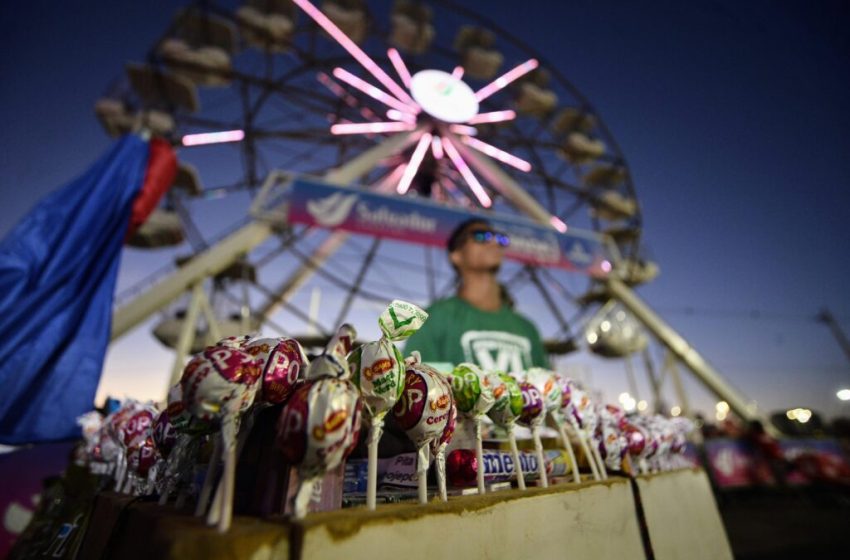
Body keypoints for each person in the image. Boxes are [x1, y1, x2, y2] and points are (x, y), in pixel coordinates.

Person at [405, 218, 549, 371]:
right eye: (481, 236)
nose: (494, 242)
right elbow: (415, 384)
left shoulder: (528, 328)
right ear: (456, 255)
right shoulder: (434, 319)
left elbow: (547, 388)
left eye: (501, 239)